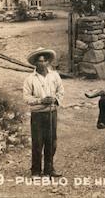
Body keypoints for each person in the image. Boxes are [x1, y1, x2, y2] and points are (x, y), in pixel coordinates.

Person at [23, 47, 64, 177]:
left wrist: (55, 99)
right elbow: (27, 98)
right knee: (37, 142)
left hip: (51, 113)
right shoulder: (30, 79)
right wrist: (41, 101)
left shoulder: (54, 76)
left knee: (51, 142)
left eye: (44, 60)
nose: (42, 63)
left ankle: (49, 169)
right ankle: (35, 170)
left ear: (48, 62)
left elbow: (61, 90)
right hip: (38, 115)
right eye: (39, 61)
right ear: (35, 63)